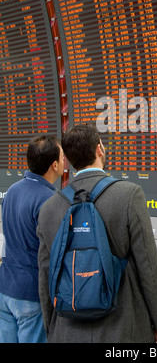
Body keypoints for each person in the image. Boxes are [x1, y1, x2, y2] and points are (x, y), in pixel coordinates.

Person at [37, 124, 157, 343]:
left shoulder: (49, 209)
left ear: (68, 161)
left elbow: (45, 277)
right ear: (100, 149)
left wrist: (52, 328)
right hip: (124, 328)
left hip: (67, 330)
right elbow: (149, 267)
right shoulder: (128, 195)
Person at [0, 134, 64, 343]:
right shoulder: (50, 200)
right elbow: (56, 251)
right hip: (31, 295)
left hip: (6, 288)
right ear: (54, 165)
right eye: (63, 157)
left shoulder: (12, 191)